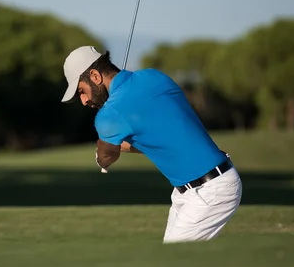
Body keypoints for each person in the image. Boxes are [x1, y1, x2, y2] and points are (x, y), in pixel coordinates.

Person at [61, 46, 242, 243]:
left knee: (172, 265)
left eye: (81, 91)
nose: (84, 100)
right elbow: (164, 139)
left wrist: (101, 157)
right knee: (176, 262)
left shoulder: (108, 115)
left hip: (208, 191)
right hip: (194, 189)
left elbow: (107, 155)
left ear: (95, 76)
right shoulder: (154, 76)